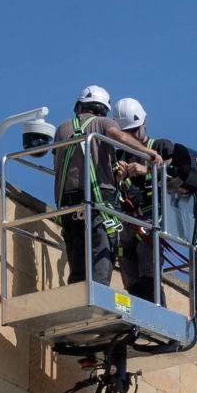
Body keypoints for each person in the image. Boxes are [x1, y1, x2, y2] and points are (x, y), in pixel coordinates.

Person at [51, 85, 157, 287]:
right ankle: (97, 299)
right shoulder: (103, 123)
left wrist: (114, 171)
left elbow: (63, 164)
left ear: (79, 107)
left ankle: (77, 299)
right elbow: (118, 136)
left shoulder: (62, 129)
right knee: (101, 261)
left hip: (69, 207)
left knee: (78, 266)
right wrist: (147, 153)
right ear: (104, 110)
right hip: (100, 206)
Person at [111, 97, 162, 302]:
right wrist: (118, 177)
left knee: (147, 265)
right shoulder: (117, 154)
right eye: (127, 133)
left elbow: (175, 178)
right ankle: (141, 315)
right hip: (126, 222)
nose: (131, 136)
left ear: (144, 122)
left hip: (151, 220)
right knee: (128, 270)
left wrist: (147, 170)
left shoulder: (158, 147)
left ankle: (158, 315)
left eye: (134, 130)